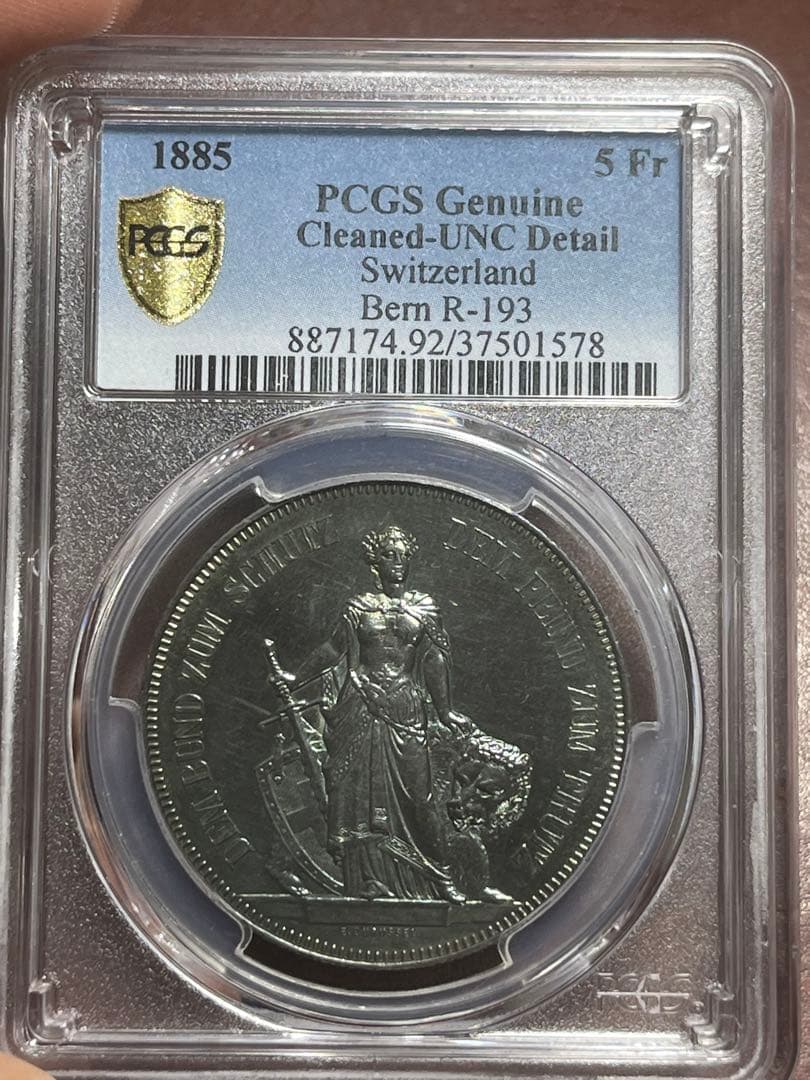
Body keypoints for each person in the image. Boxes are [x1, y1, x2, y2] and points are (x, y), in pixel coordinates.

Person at [294, 525, 470, 902]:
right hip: (360, 704)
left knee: (421, 798)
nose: (398, 561)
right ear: (375, 562)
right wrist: (296, 678)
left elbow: (435, 660)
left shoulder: (425, 607)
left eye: (403, 555)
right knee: (354, 796)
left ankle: (439, 874)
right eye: (390, 554)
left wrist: (445, 712)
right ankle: (367, 880)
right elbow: (333, 650)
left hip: (405, 707)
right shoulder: (358, 607)